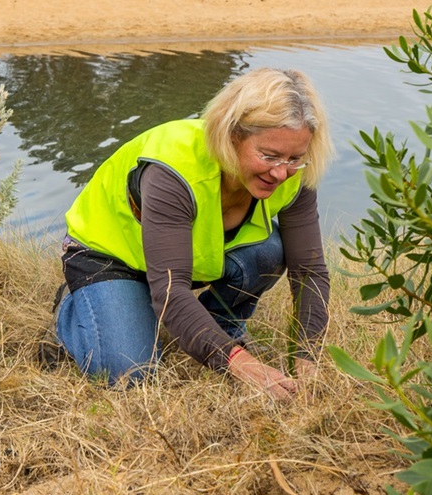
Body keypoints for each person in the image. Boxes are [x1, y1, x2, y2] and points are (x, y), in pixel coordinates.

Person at [50, 68, 333, 402]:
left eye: (294, 159)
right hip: (110, 256)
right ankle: (73, 305)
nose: (280, 172)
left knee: (268, 252)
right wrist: (242, 365)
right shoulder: (174, 169)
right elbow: (170, 290)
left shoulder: (293, 175)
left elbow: (309, 272)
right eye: (268, 155)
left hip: (178, 259)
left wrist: (307, 359)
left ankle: (220, 330)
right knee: (130, 374)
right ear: (231, 136)